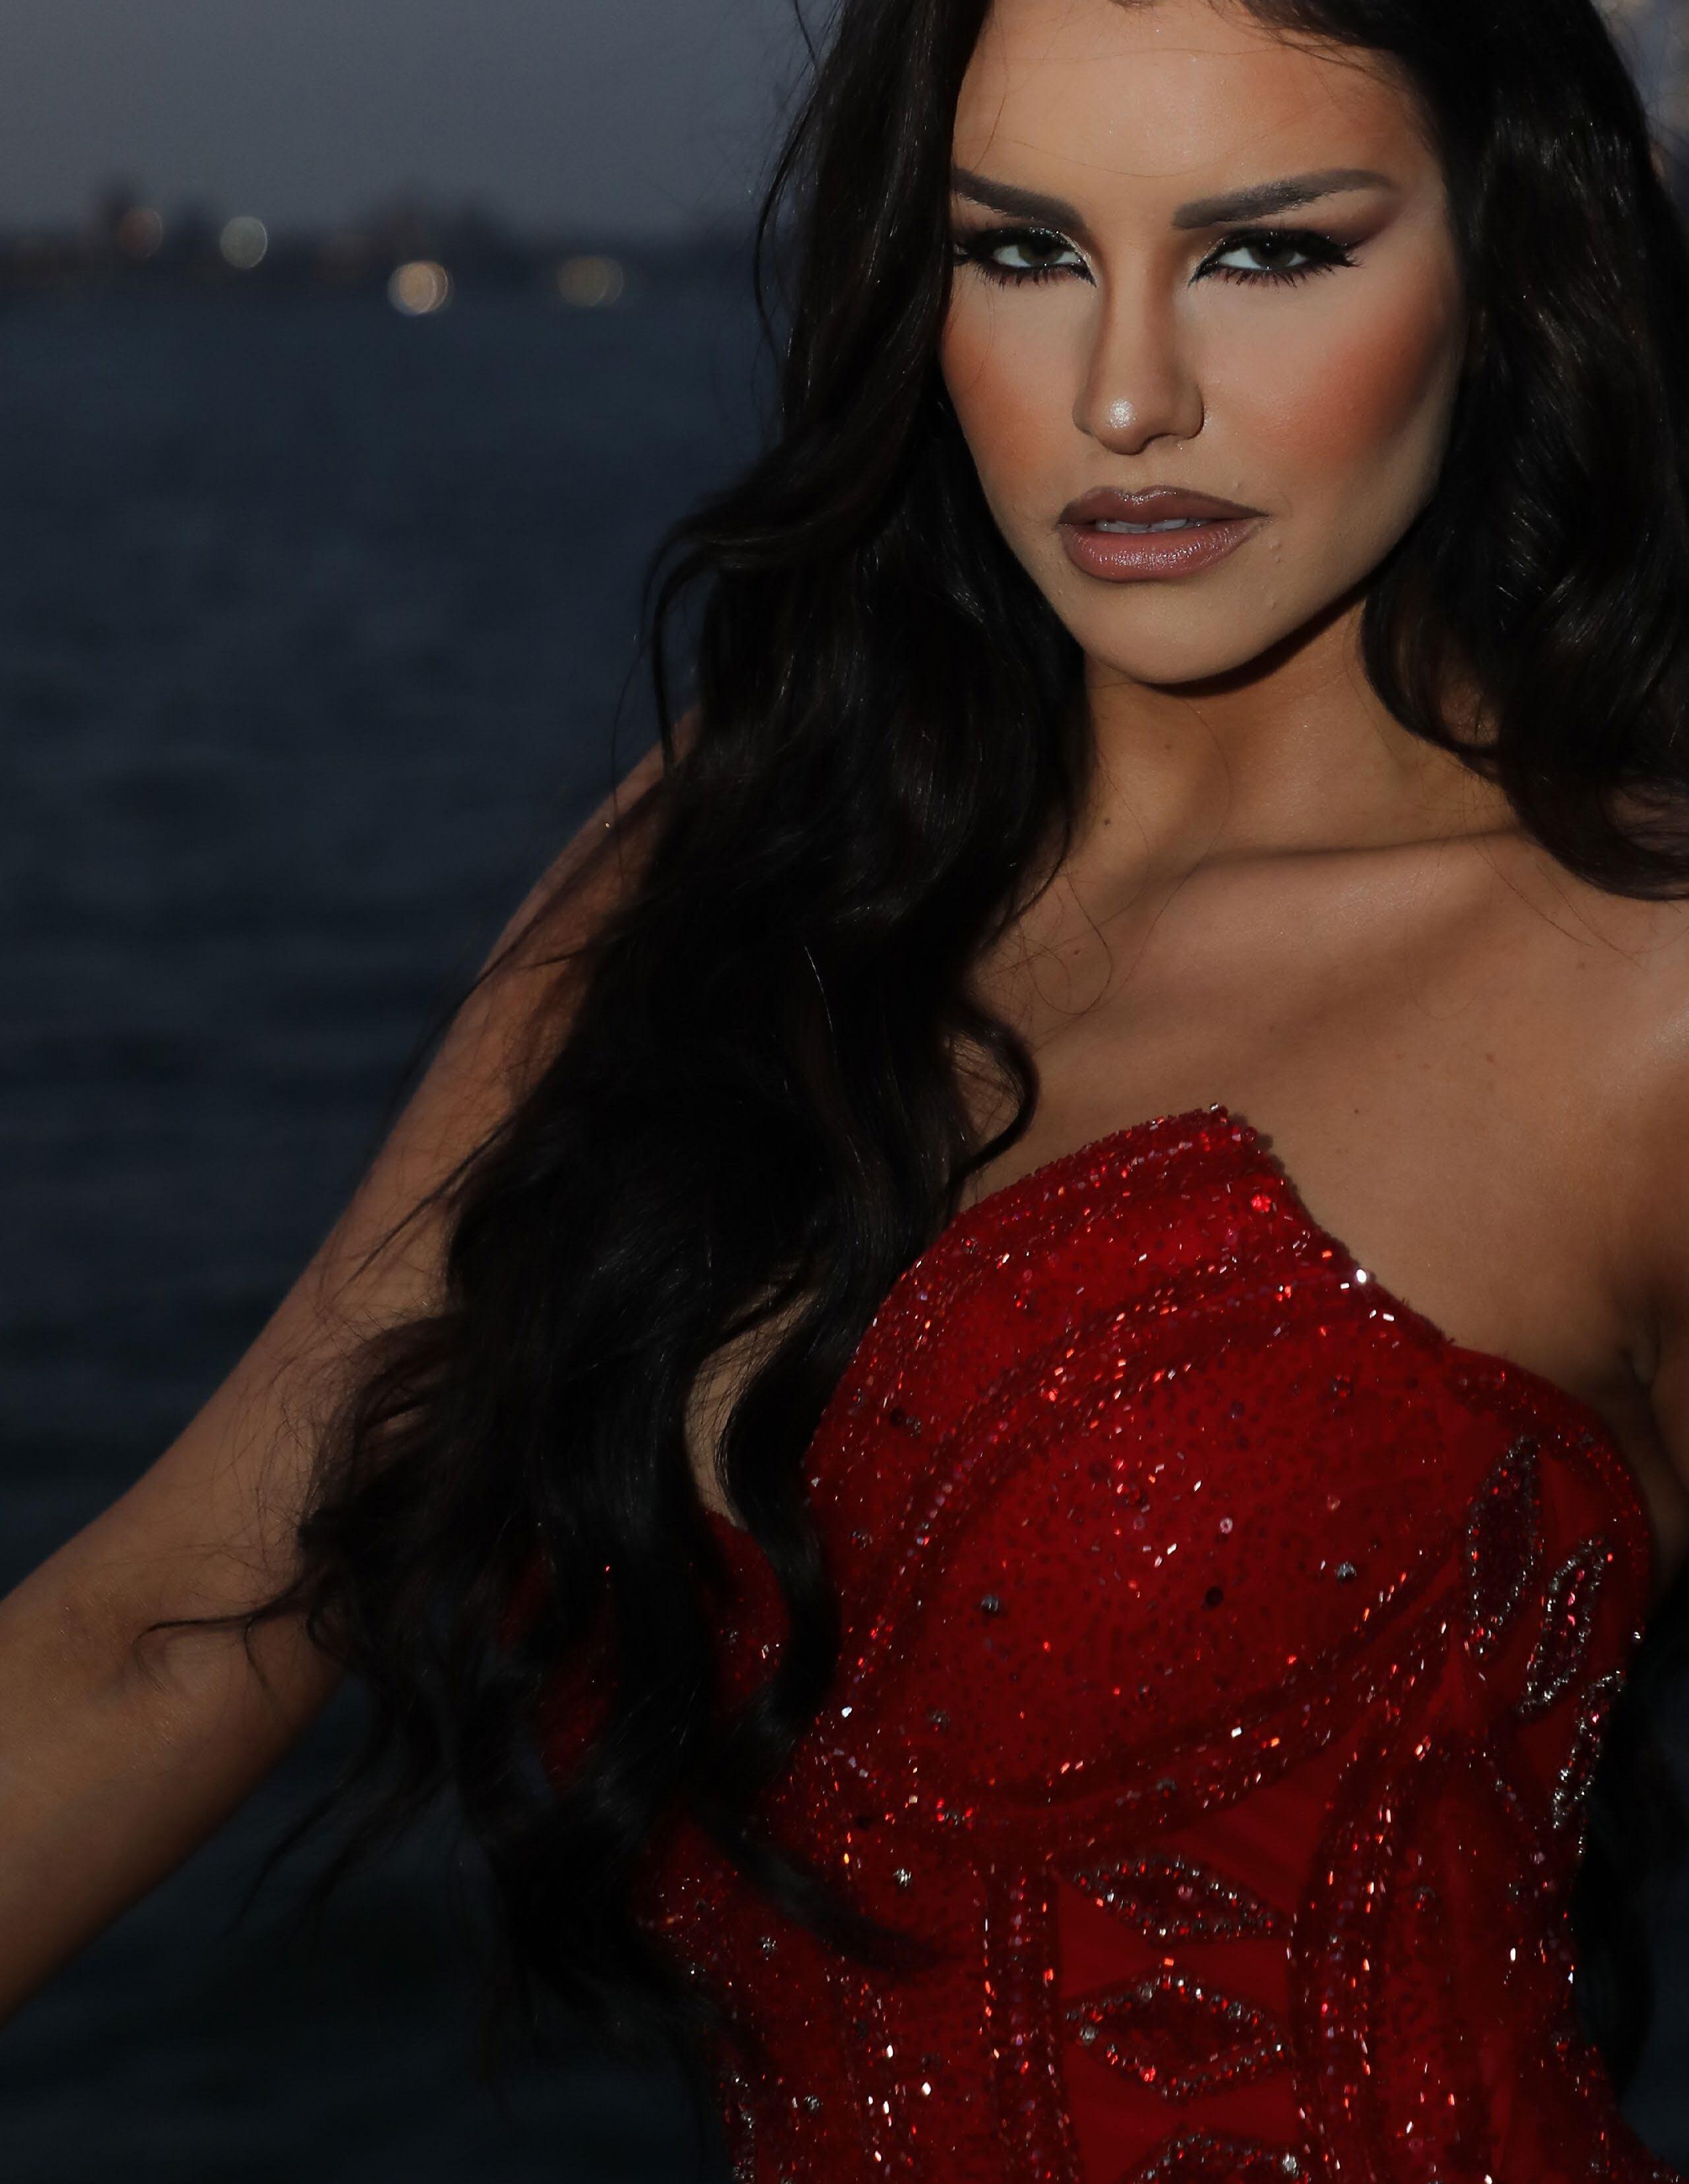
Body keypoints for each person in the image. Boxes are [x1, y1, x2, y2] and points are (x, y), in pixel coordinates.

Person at [5, 0, 1689, 2175]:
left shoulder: (1636, 993)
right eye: (1023, 250)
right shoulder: (746, 854)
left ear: (1503, 254)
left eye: (1269, 252)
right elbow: (167, 1633)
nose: (1125, 396)